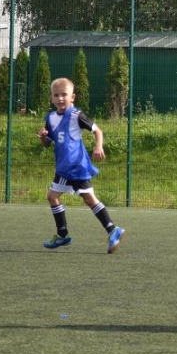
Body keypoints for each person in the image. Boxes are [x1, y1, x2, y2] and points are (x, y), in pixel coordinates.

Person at [38, 77, 125, 254]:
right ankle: (68, 234)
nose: (60, 98)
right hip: (64, 167)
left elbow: (97, 131)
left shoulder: (76, 115)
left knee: (75, 198)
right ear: (51, 98)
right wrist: (43, 137)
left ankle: (108, 230)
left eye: (64, 95)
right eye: (56, 95)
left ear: (72, 97)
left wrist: (98, 146)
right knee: (64, 197)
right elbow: (48, 143)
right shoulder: (50, 118)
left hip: (76, 166)